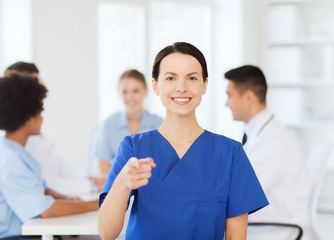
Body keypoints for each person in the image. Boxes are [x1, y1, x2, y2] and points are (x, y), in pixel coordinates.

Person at [98, 42, 269, 240]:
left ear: (205, 85)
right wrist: (122, 183)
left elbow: (235, 237)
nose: (181, 87)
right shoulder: (134, 148)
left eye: (192, 78)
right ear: (155, 85)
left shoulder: (230, 154)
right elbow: (106, 232)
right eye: (170, 78)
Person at [0, 74, 99, 240]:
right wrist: (96, 204)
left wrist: (67, 199)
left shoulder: (9, 148)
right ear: (27, 118)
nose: (42, 118)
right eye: (39, 112)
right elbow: (45, 210)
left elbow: (41, 189)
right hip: (3, 237)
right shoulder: (10, 160)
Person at [224, 65, 310, 240]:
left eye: (229, 96)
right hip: (264, 224)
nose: (226, 104)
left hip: (274, 230)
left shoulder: (271, 141)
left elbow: (243, 193)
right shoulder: (262, 133)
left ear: (248, 97)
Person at [4, 61, 105, 194]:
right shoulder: (18, 138)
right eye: (36, 84)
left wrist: (89, 180)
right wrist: (90, 186)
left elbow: (61, 168)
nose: (42, 89)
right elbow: (44, 182)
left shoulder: (37, 131)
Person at [89, 69, 163, 177]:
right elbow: (103, 167)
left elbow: (163, 164)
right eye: (125, 92)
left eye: (136, 91)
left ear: (146, 91)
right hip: (116, 188)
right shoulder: (108, 125)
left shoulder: (159, 124)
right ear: (118, 93)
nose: (130, 97)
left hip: (151, 186)